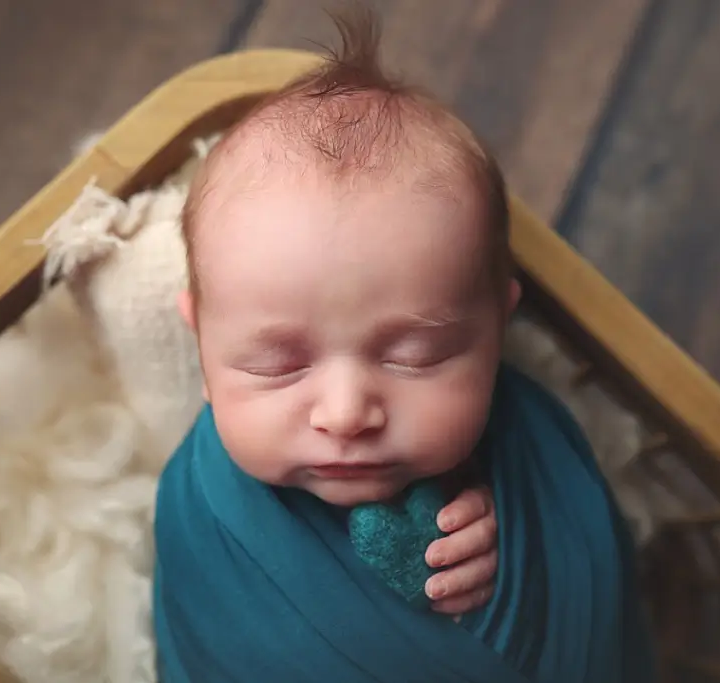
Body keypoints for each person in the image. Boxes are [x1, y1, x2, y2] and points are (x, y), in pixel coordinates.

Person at [152, 7, 655, 683]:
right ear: (204, 353)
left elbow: (575, 554)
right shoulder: (198, 508)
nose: (346, 412)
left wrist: (507, 550)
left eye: (413, 356)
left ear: (496, 328)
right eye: (279, 364)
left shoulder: (524, 445)